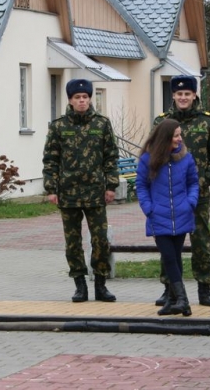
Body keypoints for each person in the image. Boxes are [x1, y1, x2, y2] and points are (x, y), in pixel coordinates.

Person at [42, 78, 118, 302]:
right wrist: (51, 188)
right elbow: (50, 160)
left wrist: (111, 185)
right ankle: (80, 285)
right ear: (70, 100)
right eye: (77, 97)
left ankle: (101, 284)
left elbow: (111, 157)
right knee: (73, 242)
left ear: (90, 99)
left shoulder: (102, 124)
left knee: (100, 240)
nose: (82, 101)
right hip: (69, 193)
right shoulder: (59, 126)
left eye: (85, 97)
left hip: (95, 192)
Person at [153, 75, 210, 307]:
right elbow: (154, 155)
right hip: (169, 196)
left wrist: (202, 181)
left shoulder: (207, 122)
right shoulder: (162, 122)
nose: (183, 98)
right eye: (179, 94)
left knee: (201, 241)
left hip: (197, 195)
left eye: (187, 94)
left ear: (194, 95)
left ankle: (205, 288)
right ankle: (170, 289)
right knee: (168, 243)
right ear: (173, 95)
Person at [135, 119, 199, 316]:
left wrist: (190, 203)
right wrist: (149, 208)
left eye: (180, 134)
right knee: (169, 257)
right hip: (159, 216)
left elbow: (193, 183)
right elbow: (141, 186)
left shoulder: (185, 157)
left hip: (181, 215)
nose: (180, 139)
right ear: (165, 137)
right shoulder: (148, 159)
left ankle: (173, 301)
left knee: (175, 258)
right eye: (176, 135)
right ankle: (183, 301)